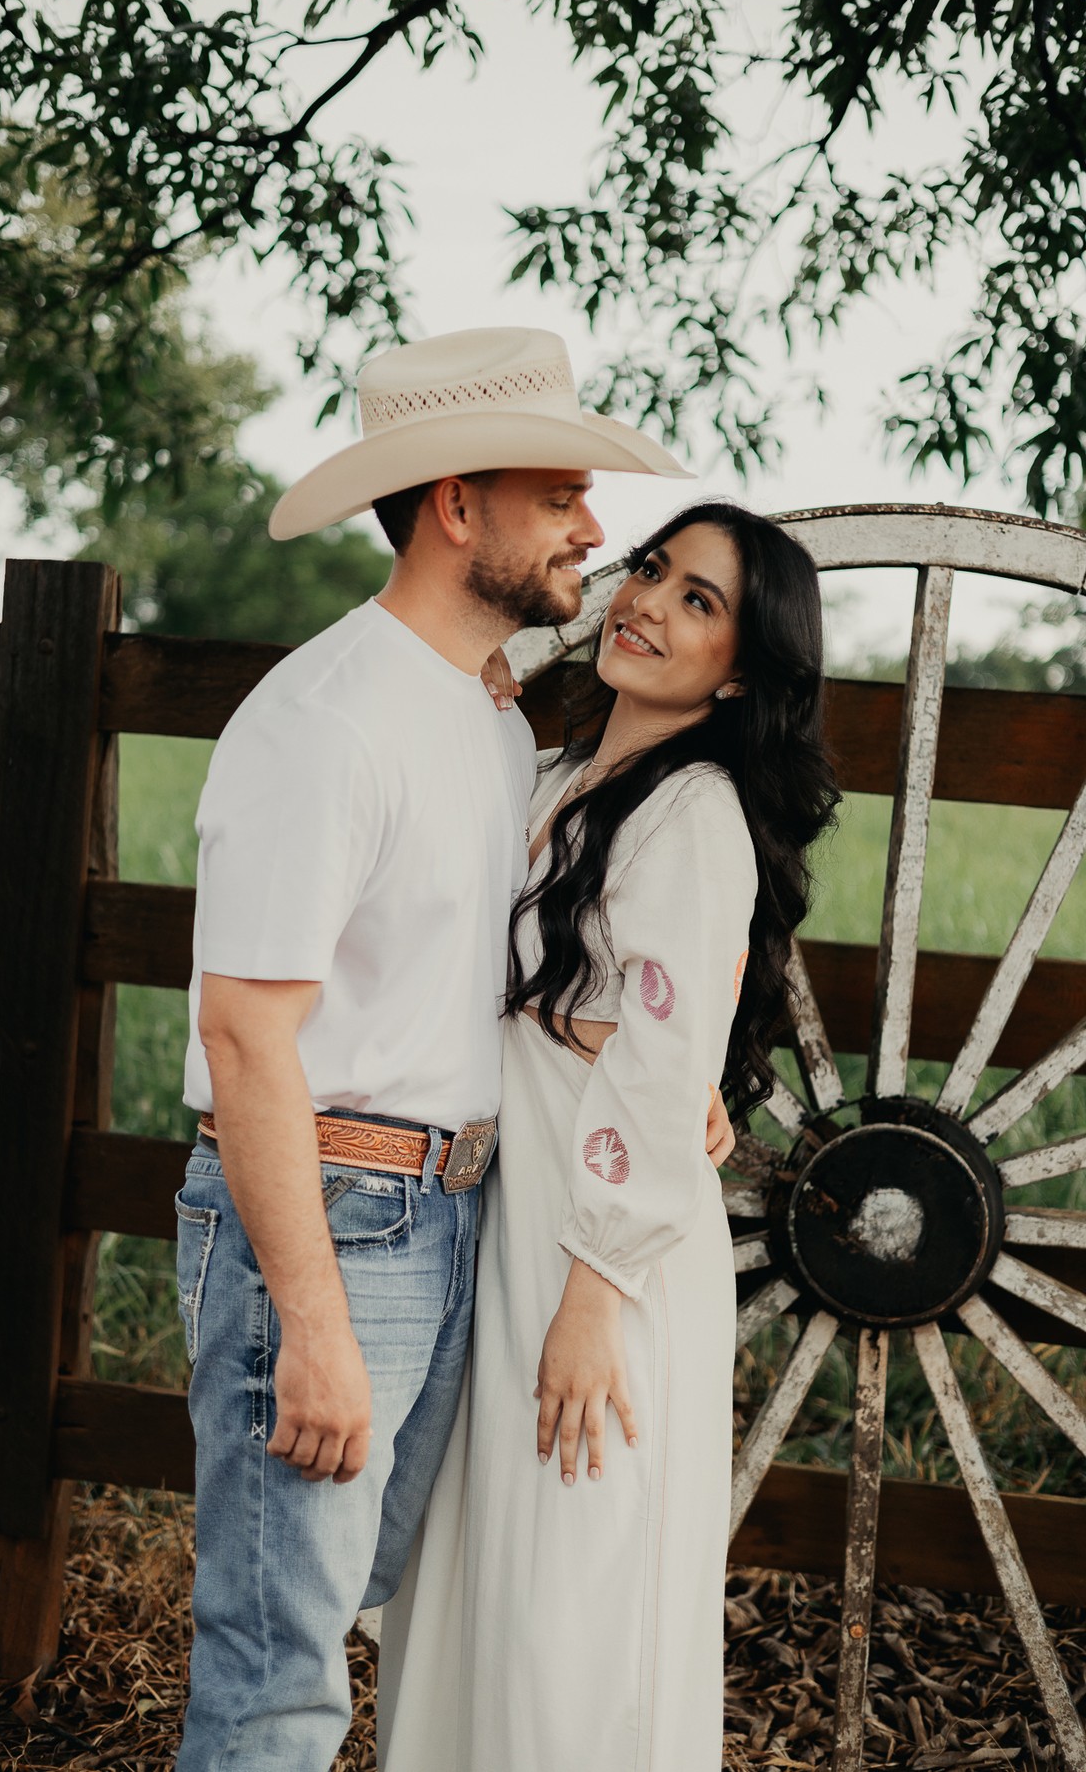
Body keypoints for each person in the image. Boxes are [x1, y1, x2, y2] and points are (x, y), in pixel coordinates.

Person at [171, 326, 697, 1770]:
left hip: (452, 1210)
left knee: (355, 1606)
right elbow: (245, 1033)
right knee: (277, 1677)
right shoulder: (324, 723)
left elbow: (475, 975)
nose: (591, 527)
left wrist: (661, 1078)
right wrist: (313, 1322)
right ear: (457, 505)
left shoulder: (487, 714)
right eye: (559, 496)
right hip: (335, 1218)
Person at [379, 501, 840, 1771]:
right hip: (511, 1217)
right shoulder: (550, 776)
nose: (646, 602)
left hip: (606, 1255)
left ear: (739, 670)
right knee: (478, 1573)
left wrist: (594, 1295)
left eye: (700, 600)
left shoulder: (695, 811)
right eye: (651, 569)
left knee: (572, 1604)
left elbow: (660, 1063)